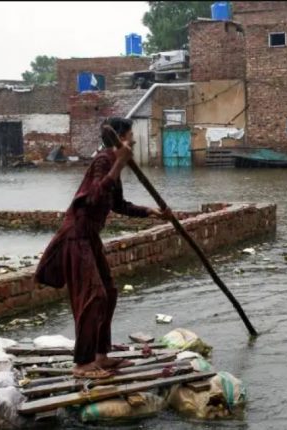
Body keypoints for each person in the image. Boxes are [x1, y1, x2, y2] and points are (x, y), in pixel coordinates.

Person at [35, 117, 172, 379]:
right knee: (93, 296)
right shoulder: (103, 161)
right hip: (77, 236)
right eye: (130, 135)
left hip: (91, 237)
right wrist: (119, 163)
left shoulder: (112, 163)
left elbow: (117, 204)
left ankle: (101, 355)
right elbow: (93, 197)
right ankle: (83, 364)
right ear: (121, 138)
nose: (133, 140)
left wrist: (150, 212)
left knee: (108, 292)